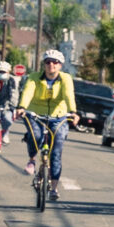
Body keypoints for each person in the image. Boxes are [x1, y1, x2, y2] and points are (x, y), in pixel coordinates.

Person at [14, 52, 77, 182]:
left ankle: (54, 187)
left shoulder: (65, 78)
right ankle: (32, 159)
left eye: (55, 62)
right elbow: (27, 92)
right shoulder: (34, 77)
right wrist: (22, 107)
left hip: (58, 116)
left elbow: (68, 95)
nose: (51, 65)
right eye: (48, 62)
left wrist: (73, 112)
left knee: (56, 151)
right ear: (44, 64)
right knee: (36, 135)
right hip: (35, 114)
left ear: (60, 65)